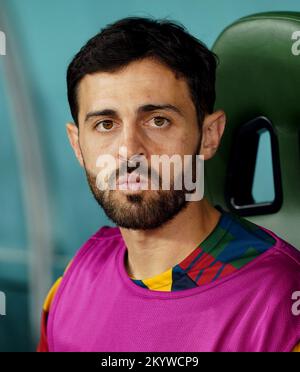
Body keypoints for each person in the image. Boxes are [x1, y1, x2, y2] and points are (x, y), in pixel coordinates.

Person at [37, 17, 300, 352]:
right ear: (77, 145)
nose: (130, 151)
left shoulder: (280, 309)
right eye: (105, 124)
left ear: (209, 135)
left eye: (158, 121)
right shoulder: (71, 285)